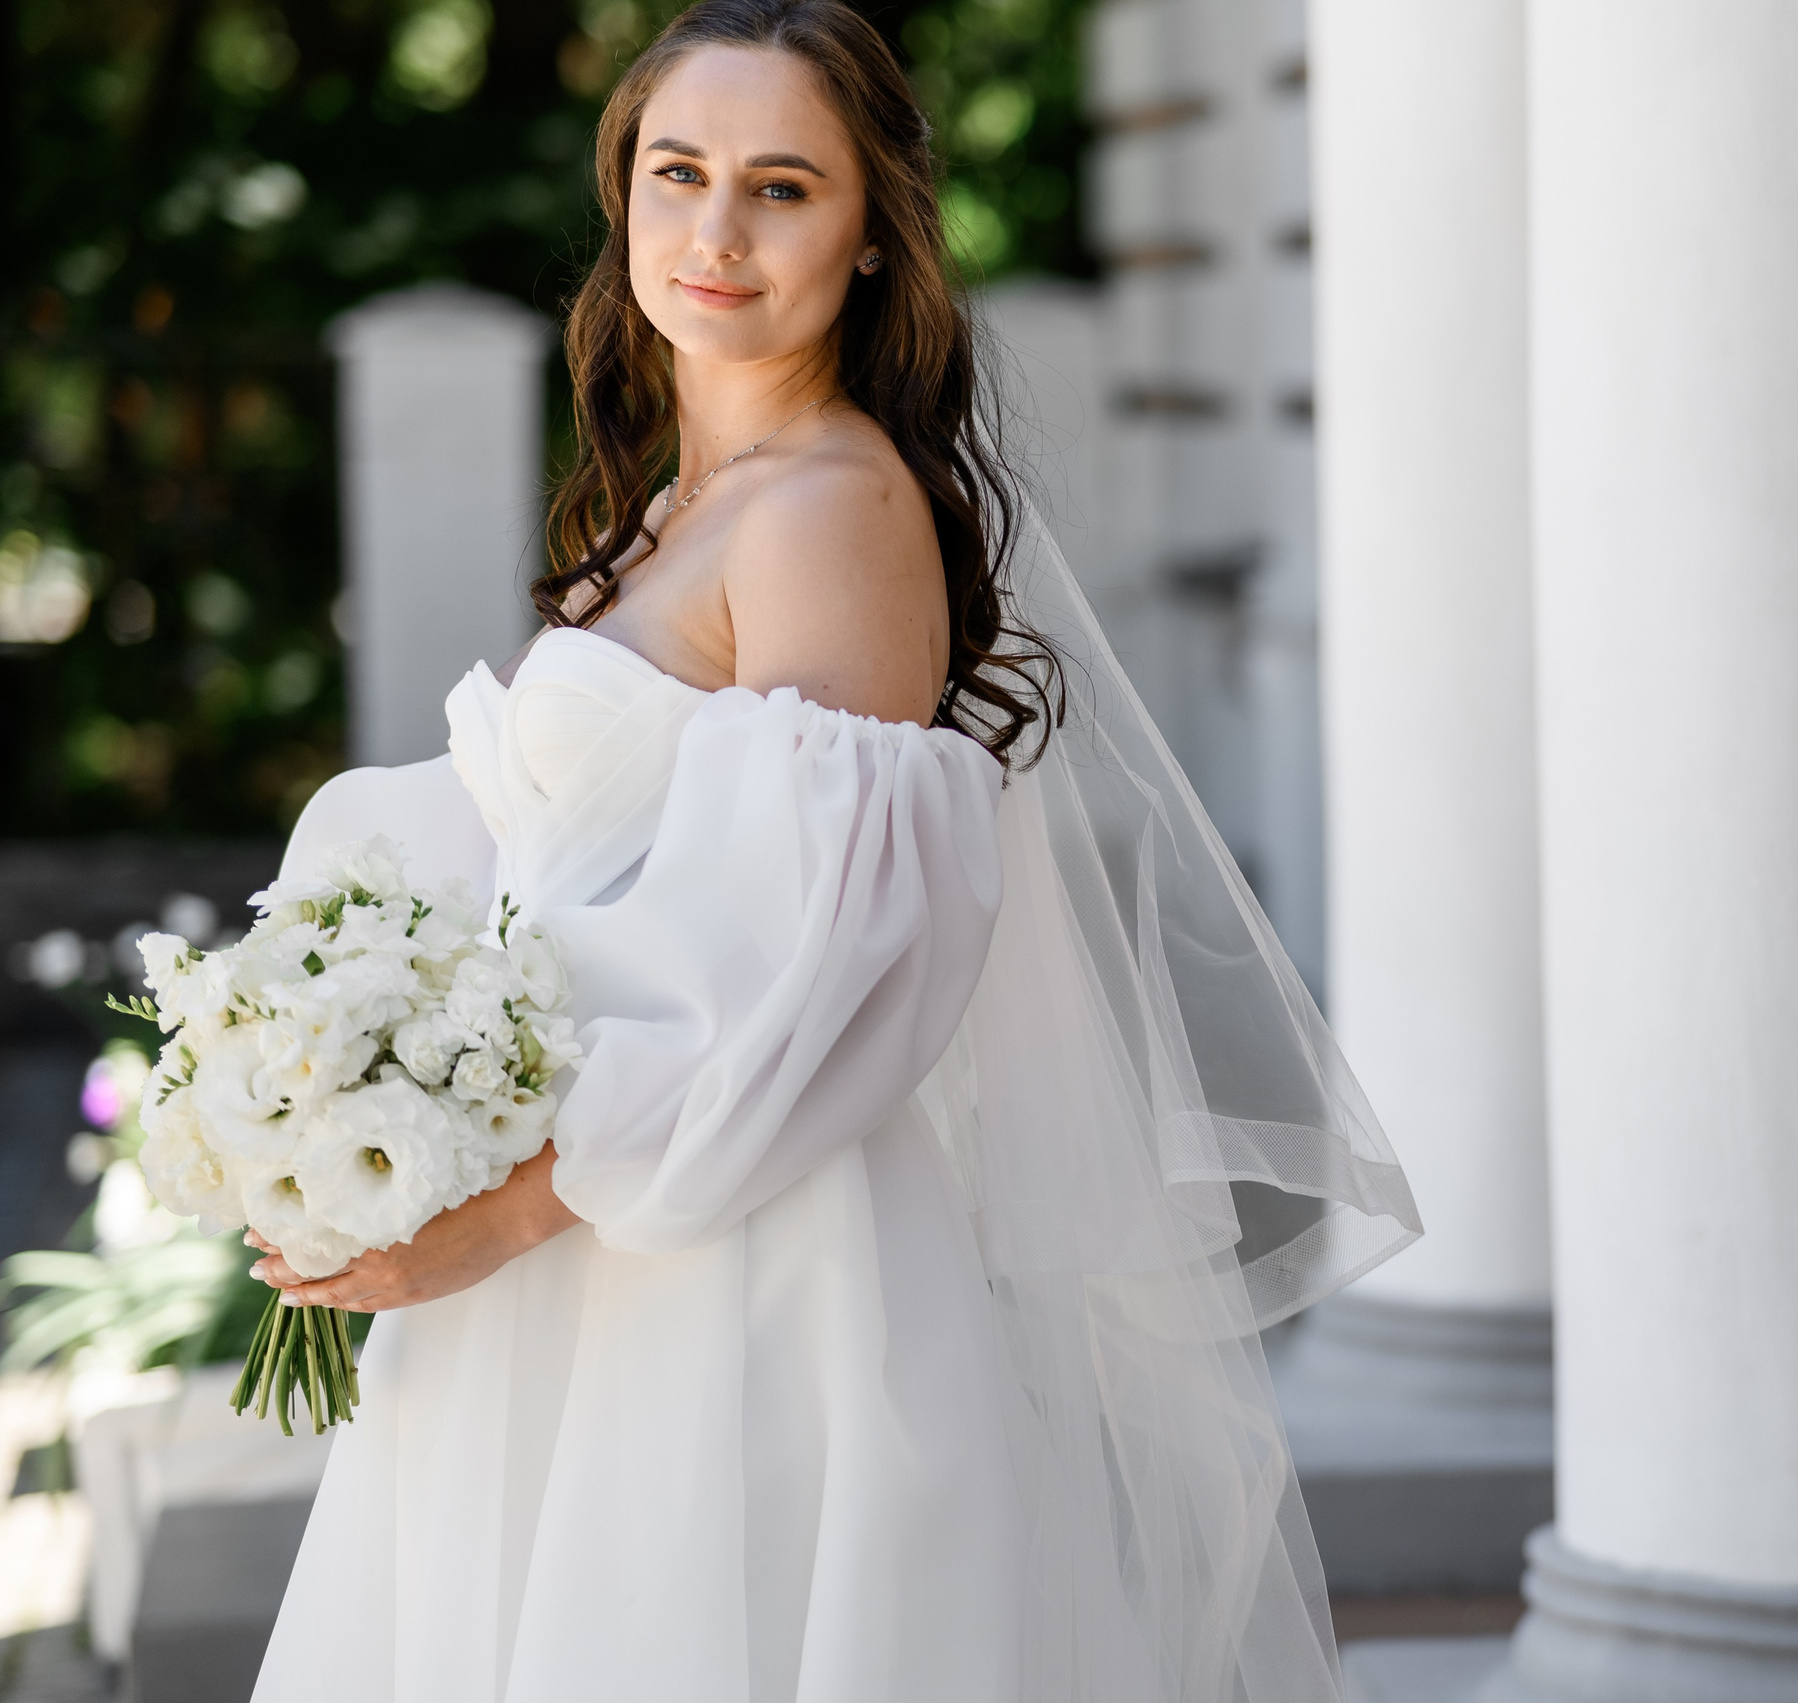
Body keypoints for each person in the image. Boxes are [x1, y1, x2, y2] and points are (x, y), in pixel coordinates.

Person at [244, 4, 1419, 1697]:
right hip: (579, 1239)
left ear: (871, 240)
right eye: (679, 173)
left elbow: (805, 978)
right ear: (625, 198)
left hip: (729, 1272)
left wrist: (487, 1223)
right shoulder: (674, 498)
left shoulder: (831, 511)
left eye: (782, 188)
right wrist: (326, 1073)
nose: (715, 232)